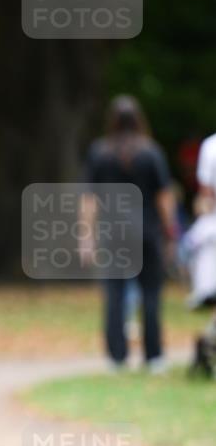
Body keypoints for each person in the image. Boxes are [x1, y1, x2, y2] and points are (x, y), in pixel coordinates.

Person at [83, 95, 176, 372]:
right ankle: (154, 356)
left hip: (114, 233)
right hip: (147, 232)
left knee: (114, 294)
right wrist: (171, 232)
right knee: (151, 294)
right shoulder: (151, 153)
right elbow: (164, 197)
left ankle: (117, 357)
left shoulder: (100, 152)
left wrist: (86, 235)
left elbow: (89, 199)